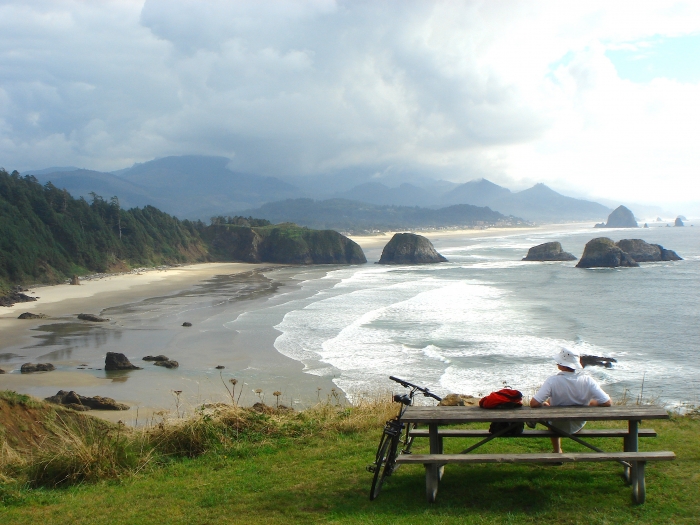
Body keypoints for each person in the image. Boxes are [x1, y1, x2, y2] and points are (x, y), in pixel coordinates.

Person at [530, 347, 611, 453]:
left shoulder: (552, 381)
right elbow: (607, 402)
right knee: (551, 402)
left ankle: (557, 450)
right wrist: (591, 403)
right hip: (578, 423)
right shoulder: (587, 380)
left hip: (556, 424)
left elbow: (534, 403)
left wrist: (544, 404)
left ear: (562, 365)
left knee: (549, 404)